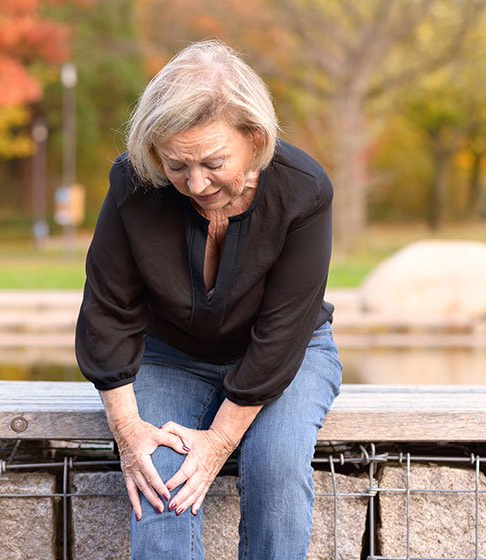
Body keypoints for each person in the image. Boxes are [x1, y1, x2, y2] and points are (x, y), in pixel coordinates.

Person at [75, 39, 342, 559]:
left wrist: (217, 443)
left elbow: (282, 333)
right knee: (158, 478)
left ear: (255, 138)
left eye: (213, 162)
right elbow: (107, 313)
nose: (196, 183)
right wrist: (129, 432)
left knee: (276, 467)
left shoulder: (305, 189)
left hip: (288, 352)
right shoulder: (134, 182)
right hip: (170, 354)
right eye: (176, 164)